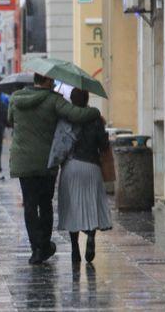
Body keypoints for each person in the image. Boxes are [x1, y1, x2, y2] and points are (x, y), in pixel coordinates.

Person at [8, 73, 100, 265]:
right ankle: (44, 245)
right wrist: (95, 112)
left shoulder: (16, 99)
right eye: (53, 80)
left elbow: (9, 120)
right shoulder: (53, 100)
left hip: (22, 160)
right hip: (46, 161)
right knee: (45, 204)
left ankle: (36, 250)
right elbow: (77, 114)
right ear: (48, 81)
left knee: (30, 205)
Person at [57, 88, 112, 263]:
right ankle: (90, 237)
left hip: (71, 167)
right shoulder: (96, 119)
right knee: (91, 205)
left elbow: (59, 144)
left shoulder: (66, 118)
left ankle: (74, 248)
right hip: (92, 167)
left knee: (72, 207)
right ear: (87, 99)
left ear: (71, 100)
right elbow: (103, 146)